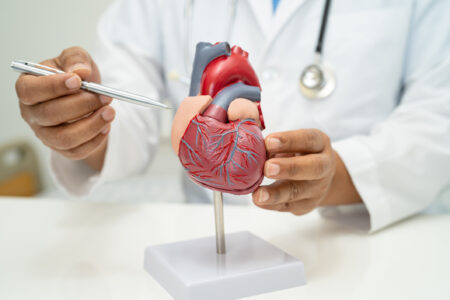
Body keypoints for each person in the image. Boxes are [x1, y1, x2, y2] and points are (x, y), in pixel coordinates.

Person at [14, 0, 450, 232]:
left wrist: (338, 175)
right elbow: (127, 108)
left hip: (354, 243)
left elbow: (437, 119)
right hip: (204, 235)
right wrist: (79, 122)